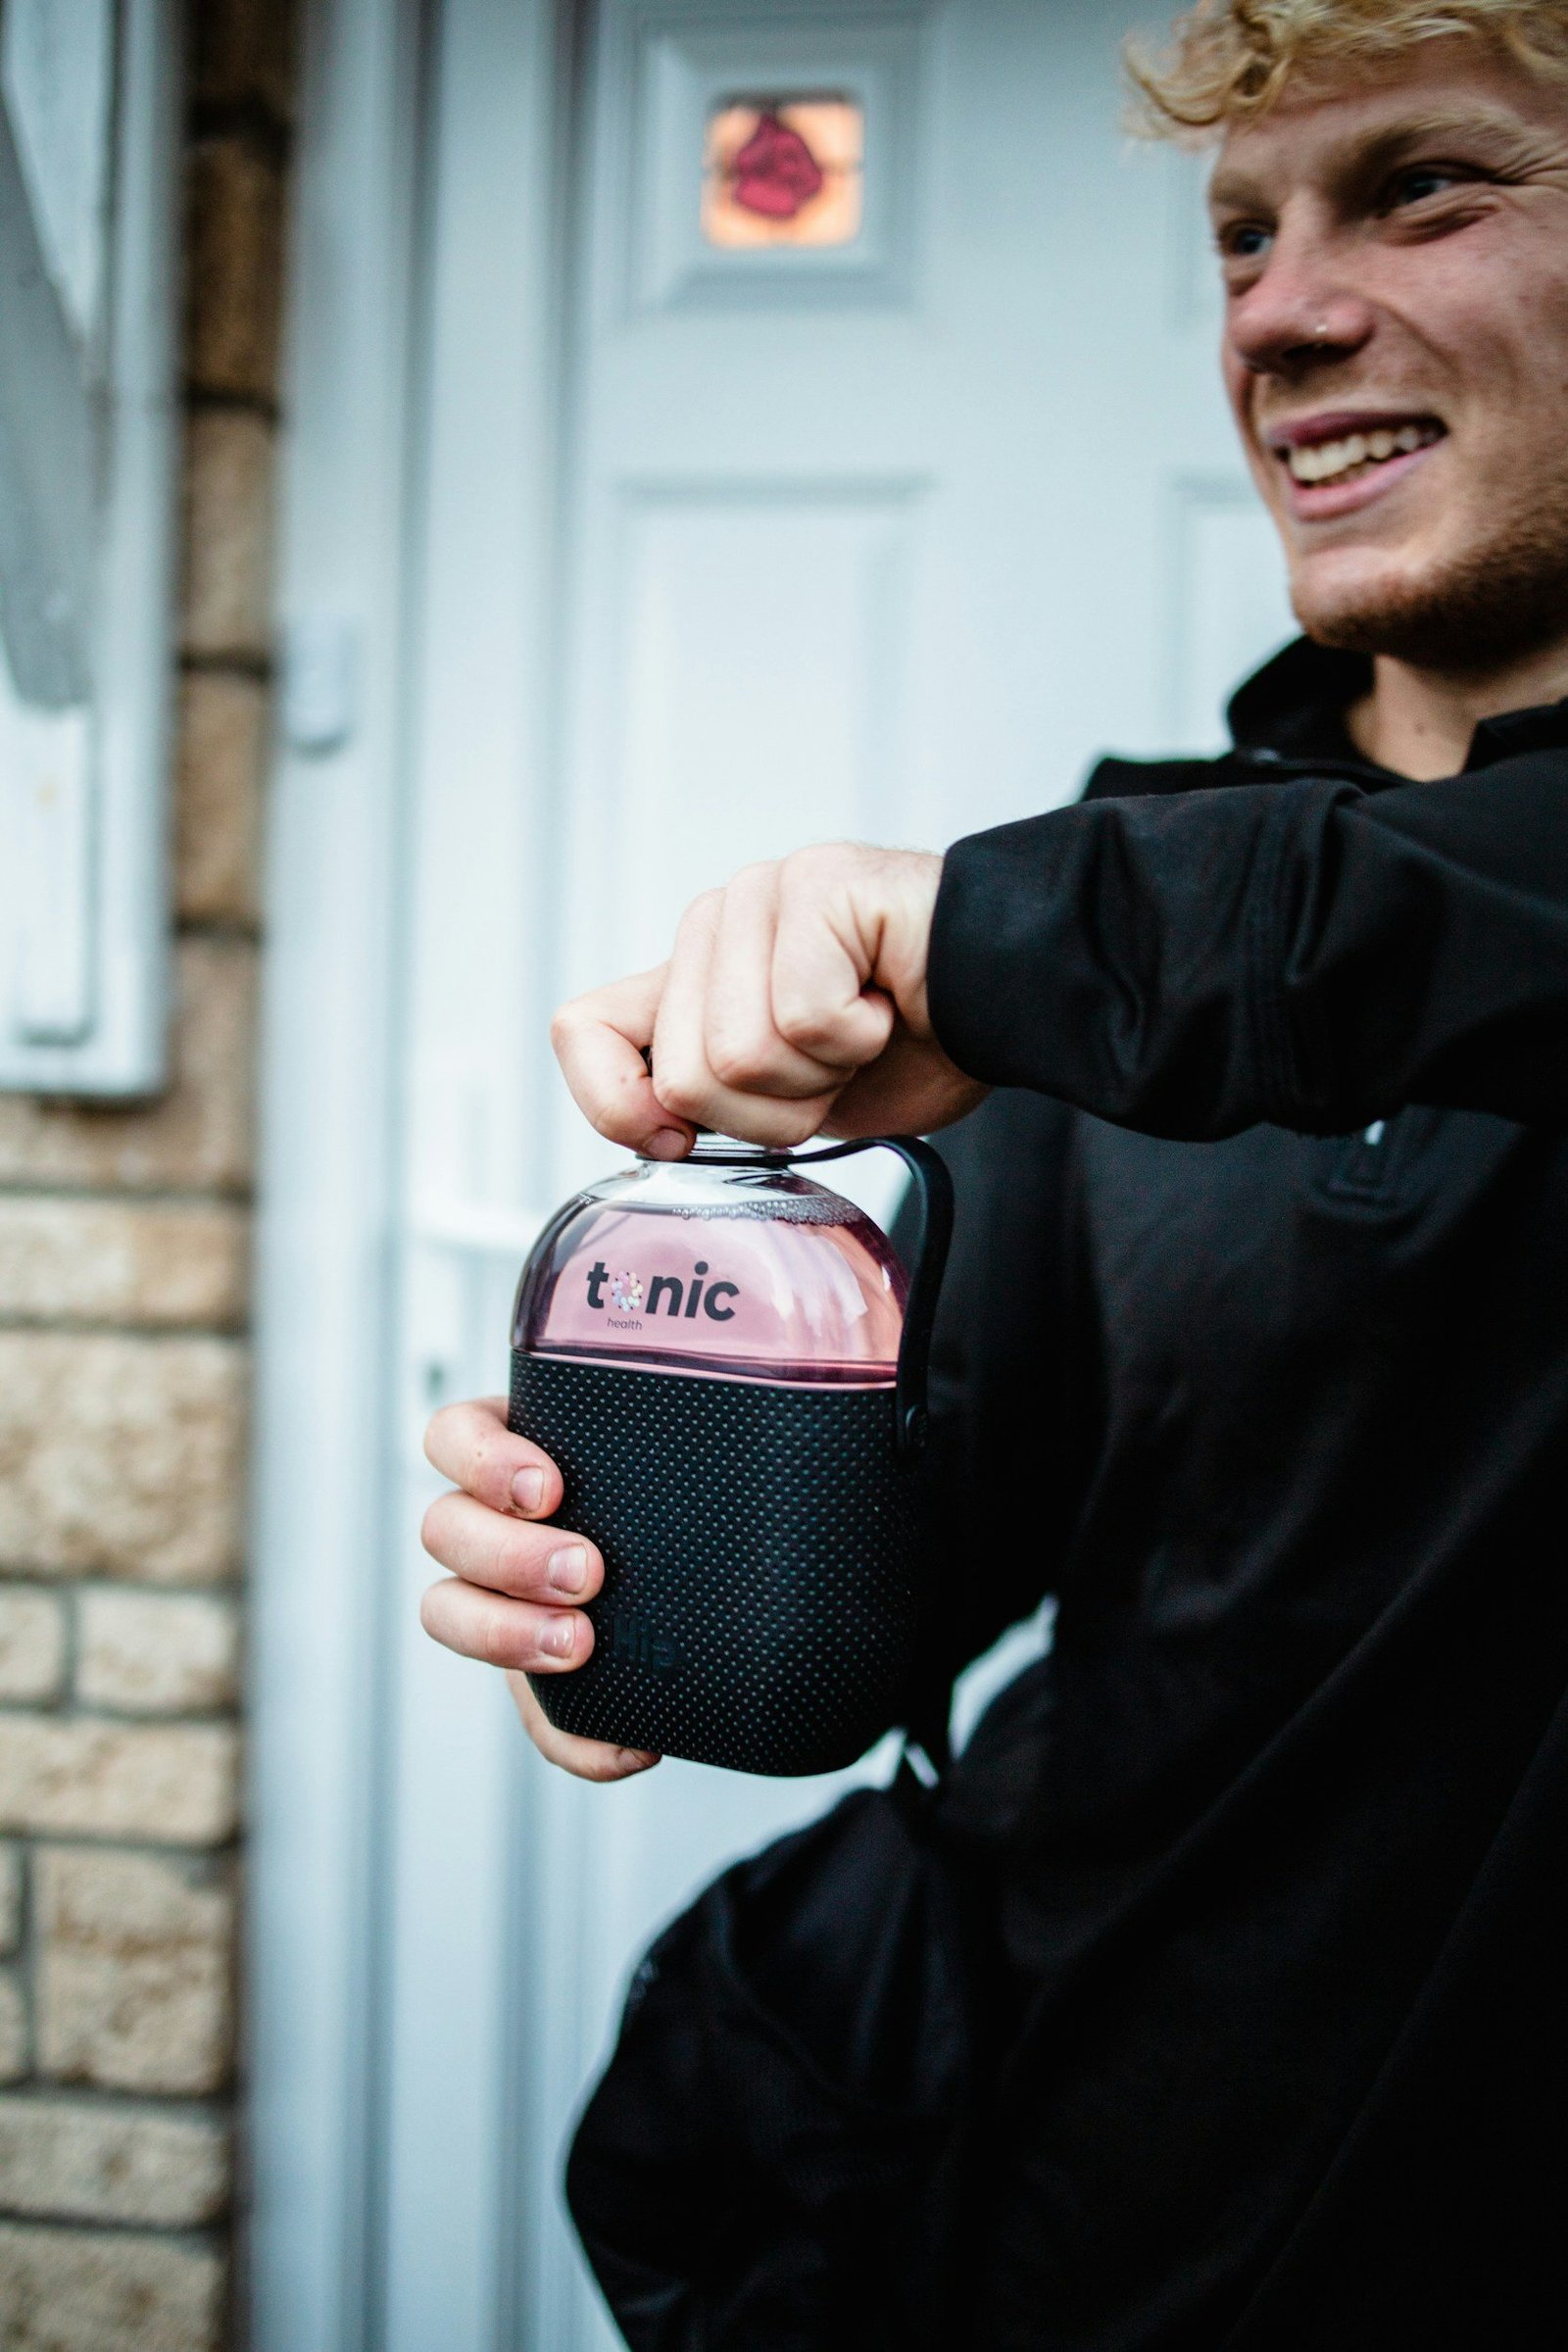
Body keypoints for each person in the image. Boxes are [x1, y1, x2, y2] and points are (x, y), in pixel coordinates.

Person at [420, 1, 1568, 2339]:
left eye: (1422, 187)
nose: (1274, 309)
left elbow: (1432, 921)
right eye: (1239, 237)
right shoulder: (1124, 886)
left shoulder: (1099, 924)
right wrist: (642, 1576)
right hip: (1062, 2229)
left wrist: (1014, 927)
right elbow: (954, 1537)